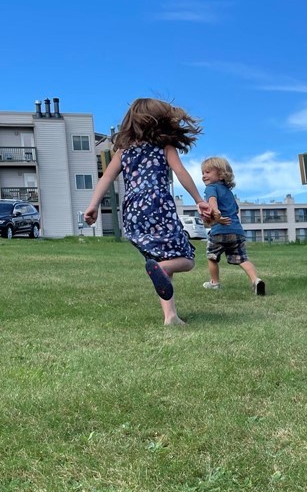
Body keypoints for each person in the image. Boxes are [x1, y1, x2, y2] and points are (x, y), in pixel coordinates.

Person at [83, 98, 211, 325]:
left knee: (159, 259)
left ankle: (170, 316)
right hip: (158, 206)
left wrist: (93, 204)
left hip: (133, 212)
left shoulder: (124, 150)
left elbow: (107, 177)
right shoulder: (165, 146)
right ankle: (161, 270)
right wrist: (199, 199)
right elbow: (180, 172)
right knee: (186, 259)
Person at [200, 157, 265, 296]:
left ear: (221, 174)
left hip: (219, 230)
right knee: (242, 258)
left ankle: (214, 283)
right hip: (236, 231)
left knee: (212, 257)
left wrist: (216, 213)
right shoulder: (228, 192)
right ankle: (256, 280)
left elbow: (212, 201)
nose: (204, 175)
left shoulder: (211, 188)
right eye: (203, 173)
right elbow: (236, 209)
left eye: (208, 172)